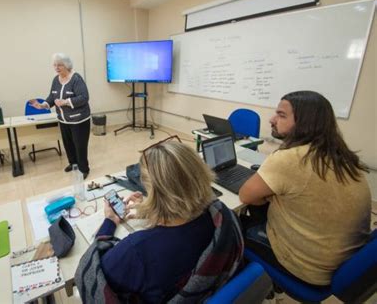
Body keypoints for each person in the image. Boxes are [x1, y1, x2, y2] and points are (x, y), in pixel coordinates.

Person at [75, 138, 243, 303]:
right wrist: (155, 211)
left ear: (153, 191)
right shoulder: (223, 216)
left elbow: (89, 276)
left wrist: (110, 221)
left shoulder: (136, 251)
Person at [239, 91, 371, 286]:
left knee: (231, 222)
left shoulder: (291, 158)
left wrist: (266, 197)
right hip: (341, 261)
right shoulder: (341, 156)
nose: (272, 119)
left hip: (307, 268)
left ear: (305, 123)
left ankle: (242, 284)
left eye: (281, 115)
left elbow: (245, 195)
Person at [30, 53, 91, 179]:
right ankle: (73, 163)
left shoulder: (76, 78)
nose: (57, 68)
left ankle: (84, 169)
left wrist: (65, 102)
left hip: (79, 120)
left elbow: (84, 98)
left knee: (80, 146)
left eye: (60, 65)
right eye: (55, 65)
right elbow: (52, 96)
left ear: (67, 65)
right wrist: (43, 105)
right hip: (63, 120)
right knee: (68, 144)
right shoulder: (56, 79)